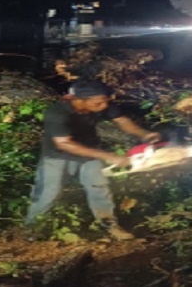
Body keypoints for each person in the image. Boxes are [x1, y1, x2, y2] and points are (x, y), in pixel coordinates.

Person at [24, 80, 161, 241]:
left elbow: (122, 120)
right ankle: (32, 227)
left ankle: (109, 225)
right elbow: (64, 144)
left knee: (99, 188)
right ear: (80, 100)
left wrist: (144, 134)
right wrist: (109, 156)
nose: (104, 106)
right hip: (57, 157)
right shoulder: (57, 113)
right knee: (49, 193)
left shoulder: (100, 104)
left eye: (105, 102)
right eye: (99, 102)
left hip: (90, 155)